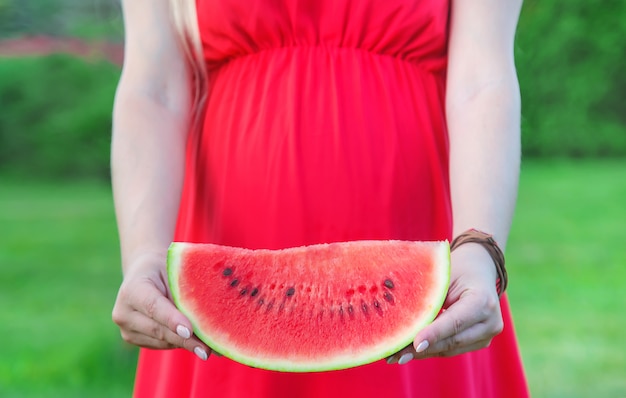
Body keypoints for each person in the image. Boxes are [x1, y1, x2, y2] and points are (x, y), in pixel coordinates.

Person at [111, 0, 529, 396]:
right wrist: (144, 256)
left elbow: (482, 80)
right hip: (225, 241)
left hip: (418, 230)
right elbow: (154, 89)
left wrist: (477, 250)